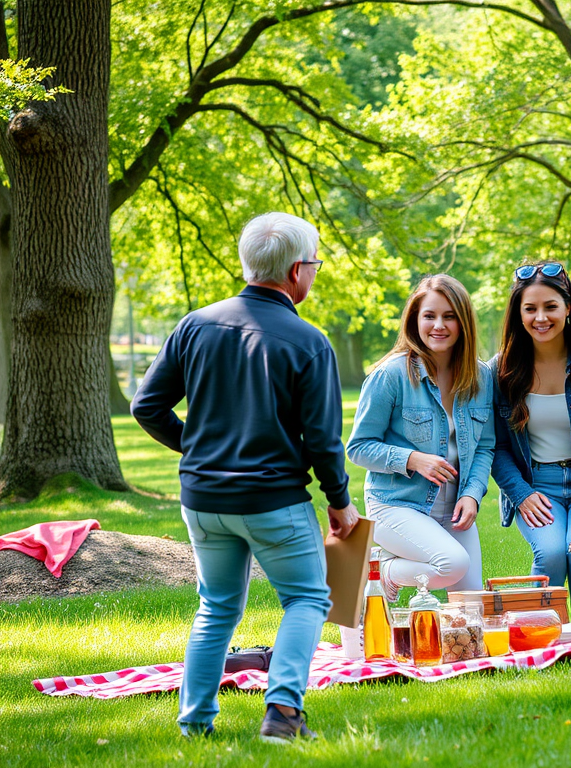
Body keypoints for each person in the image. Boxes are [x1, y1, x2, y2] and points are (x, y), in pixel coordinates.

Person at [131, 212, 360, 744]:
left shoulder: (195, 325)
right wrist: (339, 501)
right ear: (298, 271)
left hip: (203, 499)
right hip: (273, 499)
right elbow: (324, 441)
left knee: (216, 607)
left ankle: (194, 723)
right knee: (307, 599)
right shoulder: (308, 341)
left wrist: (200, 449)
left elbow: (148, 407)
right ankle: (282, 715)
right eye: (316, 266)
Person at [347, 275, 495, 599]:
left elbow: (485, 445)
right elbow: (358, 447)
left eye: (449, 316)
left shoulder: (482, 377)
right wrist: (412, 459)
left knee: (472, 615)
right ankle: (382, 569)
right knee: (452, 564)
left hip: (454, 510)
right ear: (415, 320)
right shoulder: (391, 375)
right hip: (397, 505)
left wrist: (472, 494)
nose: (438, 325)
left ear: (463, 322)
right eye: (429, 315)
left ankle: (389, 568)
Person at [489, 262, 571, 625]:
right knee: (550, 553)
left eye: (550, 307)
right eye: (530, 308)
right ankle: (542, 636)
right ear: (518, 313)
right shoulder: (502, 370)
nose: (540, 317)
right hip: (535, 486)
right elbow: (495, 446)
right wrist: (520, 493)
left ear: (568, 308)